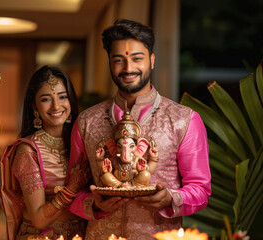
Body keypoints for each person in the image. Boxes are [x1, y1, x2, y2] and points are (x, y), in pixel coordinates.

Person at [67, 19, 211, 239]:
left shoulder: (184, 120)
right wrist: (93, 204)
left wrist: (170, 198)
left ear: (152, 61)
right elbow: (72, 191)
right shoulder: (87, 121)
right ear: (109, 63)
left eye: (137, 59)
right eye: (118, 60)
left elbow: (201, 190)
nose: (128, 68)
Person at [0, 65, 89, 240]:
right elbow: (39, 220)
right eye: (46, 99)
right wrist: (71, 188)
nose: (56, 106)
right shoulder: (28, 152)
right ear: (35, 106)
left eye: (63, 97)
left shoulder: (81, 142)